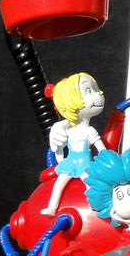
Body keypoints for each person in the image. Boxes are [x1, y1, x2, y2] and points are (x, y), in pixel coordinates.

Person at [41, 72, 105, 216]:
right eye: (88, 91)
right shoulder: (68, 130)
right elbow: (58, 149)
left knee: (89, 184)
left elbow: (102, 150)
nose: (98, 95)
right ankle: (52, 208)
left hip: (85, 163)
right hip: (70, 162)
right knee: (58, 185)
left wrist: (107, 161)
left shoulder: (90, 131)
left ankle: (94, 206)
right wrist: (59, 158)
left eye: (95, 89)